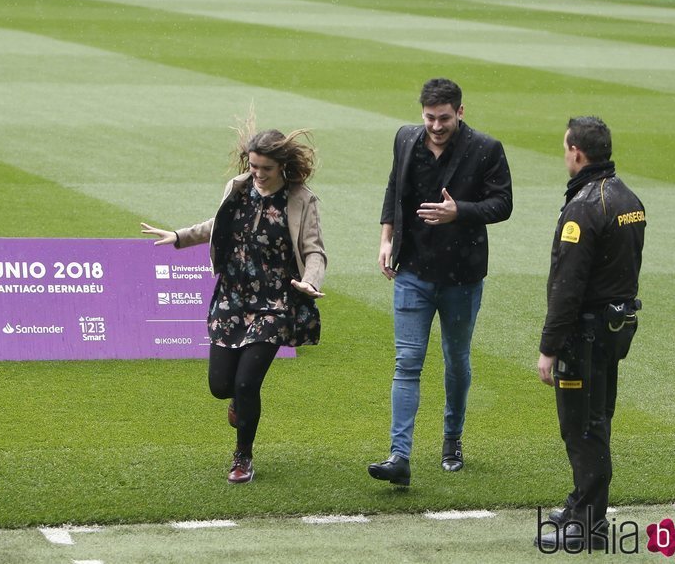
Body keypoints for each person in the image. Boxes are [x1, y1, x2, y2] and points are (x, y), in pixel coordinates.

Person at [141, 122, 326, 484]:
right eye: (253, 166)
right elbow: (220, 223)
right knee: (221, 385)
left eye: (265, 168)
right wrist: (179, 236)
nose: (257, 174)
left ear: (282, 167)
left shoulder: (302, 200)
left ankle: (242, 456)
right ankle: (237, 406)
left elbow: (314, 250)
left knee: (246, 384)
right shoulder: (238, 188)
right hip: (231, 297)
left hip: (275, 302)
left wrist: (310, 281)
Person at [368, 78, 512, 486]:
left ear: (460, 112)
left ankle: (452, 439)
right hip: (411, 270)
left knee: (456, 359)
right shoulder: (406, 139)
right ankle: (399, 456)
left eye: (444, 118)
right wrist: (386, 238)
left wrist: (459, 211)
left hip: (462, 277)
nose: (436, 126)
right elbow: (394, 188)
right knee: (407, 362)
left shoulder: (486, 149)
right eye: (430, 118)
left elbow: (503, 204)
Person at [534, 117, 645, 552]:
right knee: (598, 419)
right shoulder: (628, 198)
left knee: (582, 427)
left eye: (565, 148)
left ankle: (588, 524)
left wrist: (549, 346)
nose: (564, 154)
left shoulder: (584, 206)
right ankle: (582, 502)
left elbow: (568, 287)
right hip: (615, 327)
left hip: (585, 335)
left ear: (577, 153)